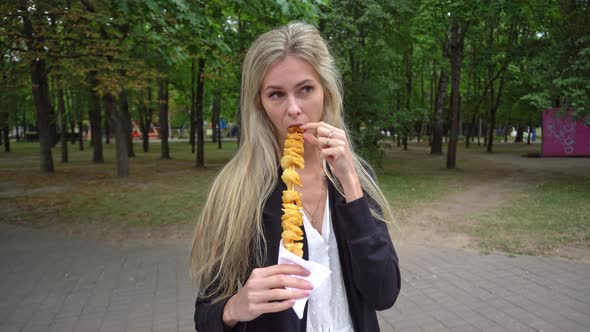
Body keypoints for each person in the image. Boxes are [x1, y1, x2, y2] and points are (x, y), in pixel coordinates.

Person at [191, 21, 400, 332]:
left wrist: (352, 185)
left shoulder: (356, 177)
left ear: (326, 91)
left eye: (305, 89)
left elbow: (383, 293)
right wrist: (234, 307)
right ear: (259, 104)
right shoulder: (236, 190)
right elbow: (205, 316)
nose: (294, 109)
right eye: (276, 94)